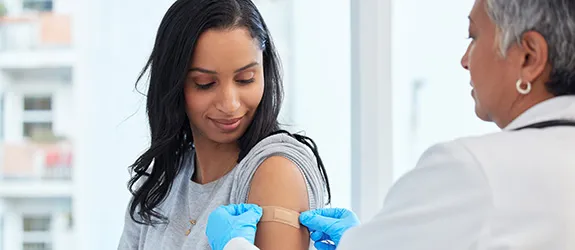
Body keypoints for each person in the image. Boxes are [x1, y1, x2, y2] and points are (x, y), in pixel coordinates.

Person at [205, 0, 575, 249]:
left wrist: (236, 245)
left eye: (474, 36)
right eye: (204, 82)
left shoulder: (475, 171)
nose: (465, 60)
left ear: (529, 57)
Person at [117, 0, 331, 249]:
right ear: (173, 84)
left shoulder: (275, 170)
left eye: (245, 79)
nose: (230, 105)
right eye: (205, 83)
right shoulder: (158, 186)